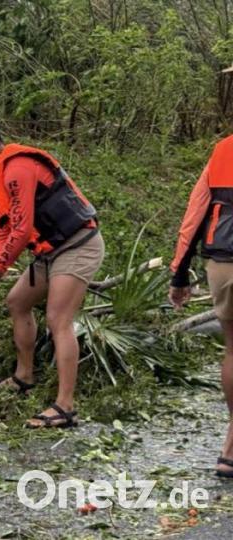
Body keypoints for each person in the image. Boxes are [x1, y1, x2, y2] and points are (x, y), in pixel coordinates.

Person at [0, 117, 105, 429]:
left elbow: (23, 229)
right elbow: (5, 230)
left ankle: (66, 407)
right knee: (17, 302)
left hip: (77, 245)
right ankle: (24, 377)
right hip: (49, 251)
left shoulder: (17, 168)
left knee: (58, 320)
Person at [169, 133, 233, 478]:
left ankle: (230, 448)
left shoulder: (223, 150)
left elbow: (196, 216)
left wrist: (180, 274)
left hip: (222, 264)